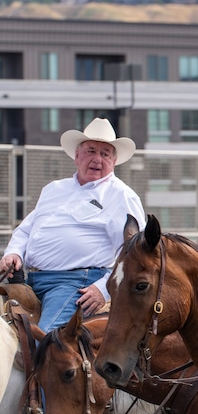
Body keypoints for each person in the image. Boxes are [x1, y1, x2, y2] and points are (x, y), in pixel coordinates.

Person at [0, 117, 146, 333]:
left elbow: (136, 253)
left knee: (48, 343)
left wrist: (103, 289)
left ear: (114, 161)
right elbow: (27, 229)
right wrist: (14, 253)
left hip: (76, 284)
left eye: (105, 154)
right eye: (91, 151)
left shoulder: (121, 195)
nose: (97, 158)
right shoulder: (54, 189)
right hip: (29, 279)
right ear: (77, 156)